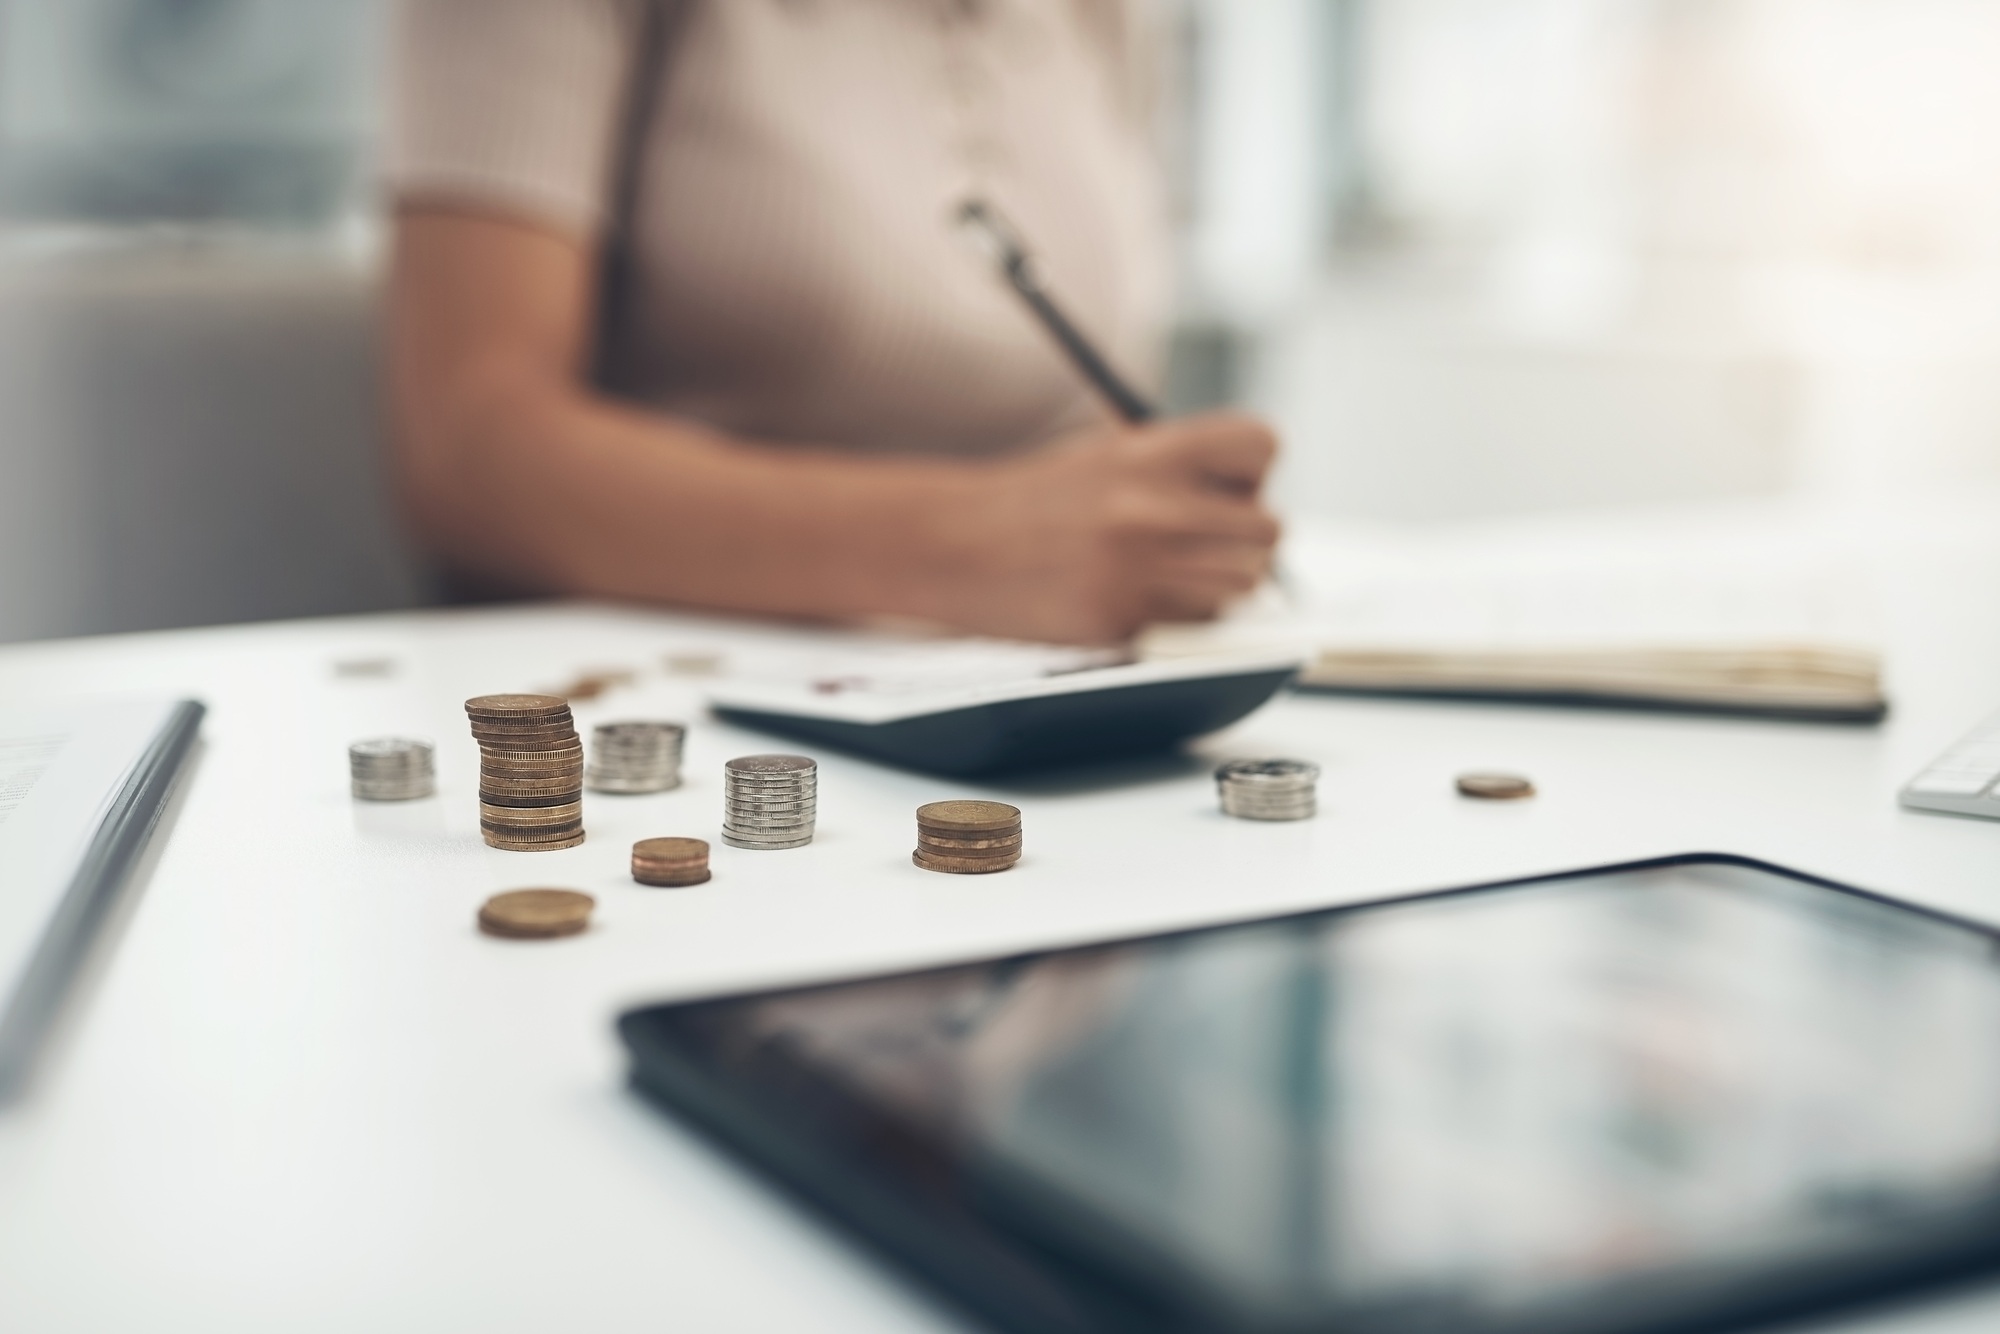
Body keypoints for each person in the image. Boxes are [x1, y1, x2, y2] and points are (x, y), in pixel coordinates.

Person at [386, 0, 1280, 646]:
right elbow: (470, 451)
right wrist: (971, 546)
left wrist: (1147, 529)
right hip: (654, 673)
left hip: (1019, 677)